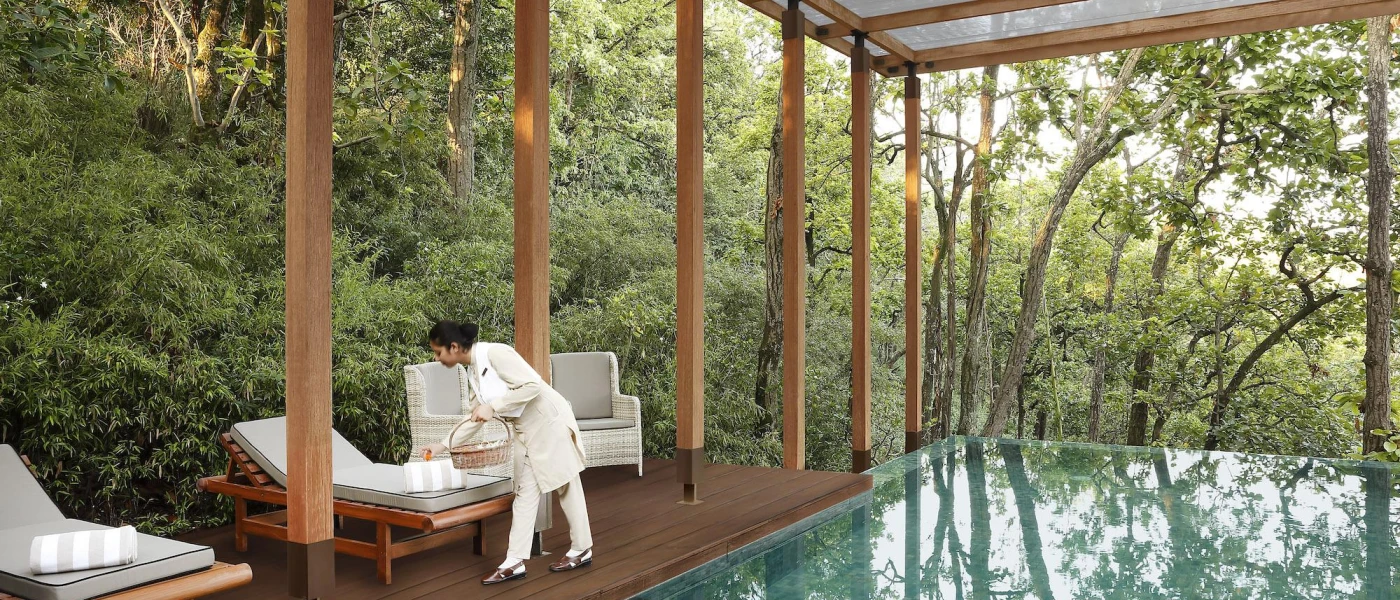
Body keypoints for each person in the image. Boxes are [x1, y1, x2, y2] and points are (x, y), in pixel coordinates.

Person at [416, 320, 594, 584]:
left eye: (438, 352)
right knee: (524, 491)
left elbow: (532, 385)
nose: (436, 357)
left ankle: (581, 549)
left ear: (454, 347)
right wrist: (443, 444)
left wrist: (495, 405)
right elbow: (475, 417)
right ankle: (515, 561)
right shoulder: (472, 372)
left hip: (547, 421)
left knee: (566, 484)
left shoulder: (496, 353)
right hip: (524, 430)